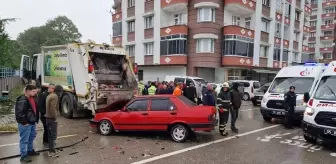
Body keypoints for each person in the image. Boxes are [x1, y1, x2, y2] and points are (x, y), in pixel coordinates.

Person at [15, 84, 40, 163]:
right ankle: (23, 156)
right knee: (24, 140)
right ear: (27, 91)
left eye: (35, 91)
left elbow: (34, 109)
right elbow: (19, 114)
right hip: (25, 124)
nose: (35, 93)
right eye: (33, 91)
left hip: (32, 122)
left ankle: (30, 151)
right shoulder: (22, 100)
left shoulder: (32, 98)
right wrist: (24, 122)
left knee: (31, 137)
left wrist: (36, 120)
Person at [45, 85, 63, 157]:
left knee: (50, 136)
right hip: (52, 119)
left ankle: (51, 150)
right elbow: (53, 108)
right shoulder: (55, 97)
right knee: (53, 136)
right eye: (61, 92)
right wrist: (55, 117)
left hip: (47, 118)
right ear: (59, 91)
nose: (61, 93)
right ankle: (52, 152)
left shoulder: (49, 95)